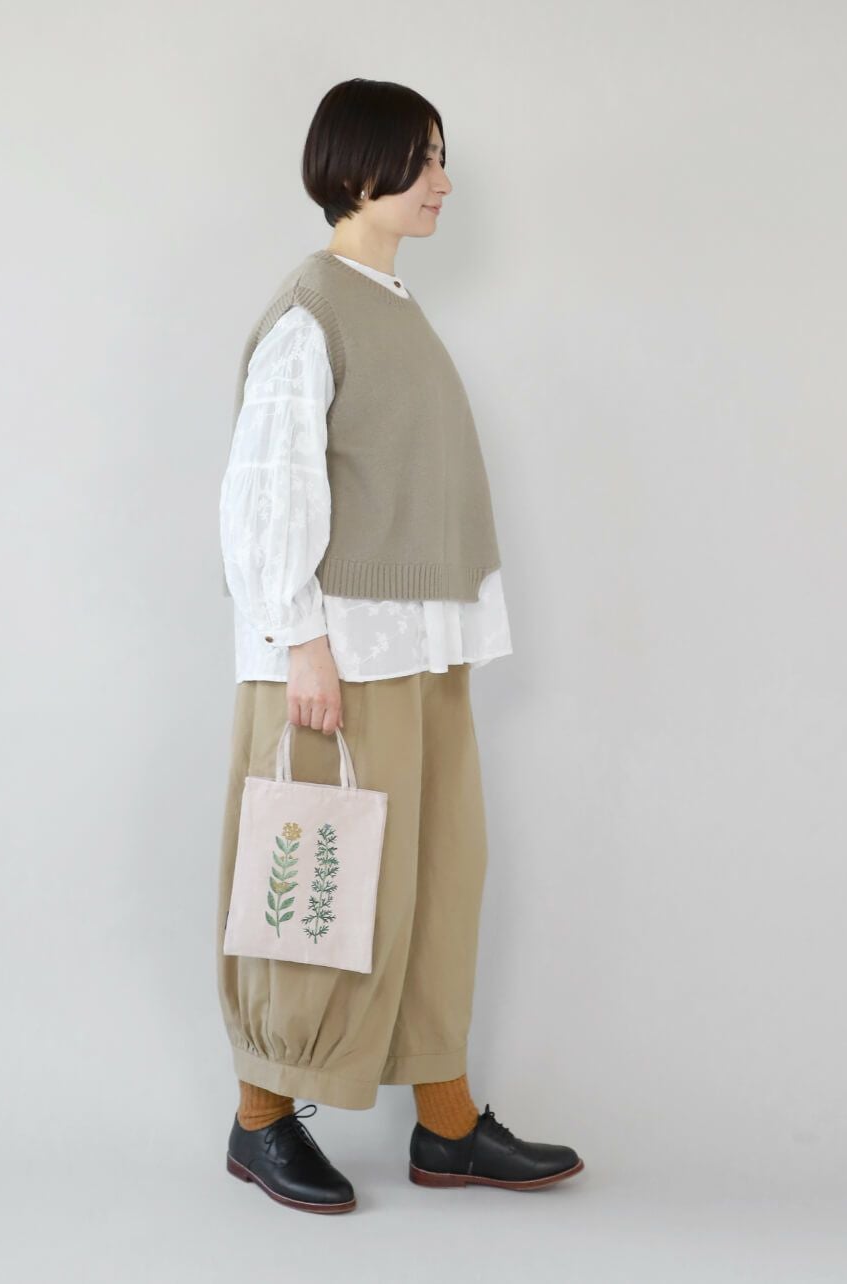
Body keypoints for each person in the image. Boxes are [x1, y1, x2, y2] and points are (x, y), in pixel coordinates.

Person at [215, 77, 584, 1214]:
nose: (443, 182)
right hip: (337, 658)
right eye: (424, 160)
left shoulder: (389, 305)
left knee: (434, 880)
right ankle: (259, 1120)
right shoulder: (308, 312)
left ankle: (446, 1126)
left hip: (417, 653)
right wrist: (300, 642)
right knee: (317, 883)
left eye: (438, 159)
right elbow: (266, 494)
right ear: (360, 166)